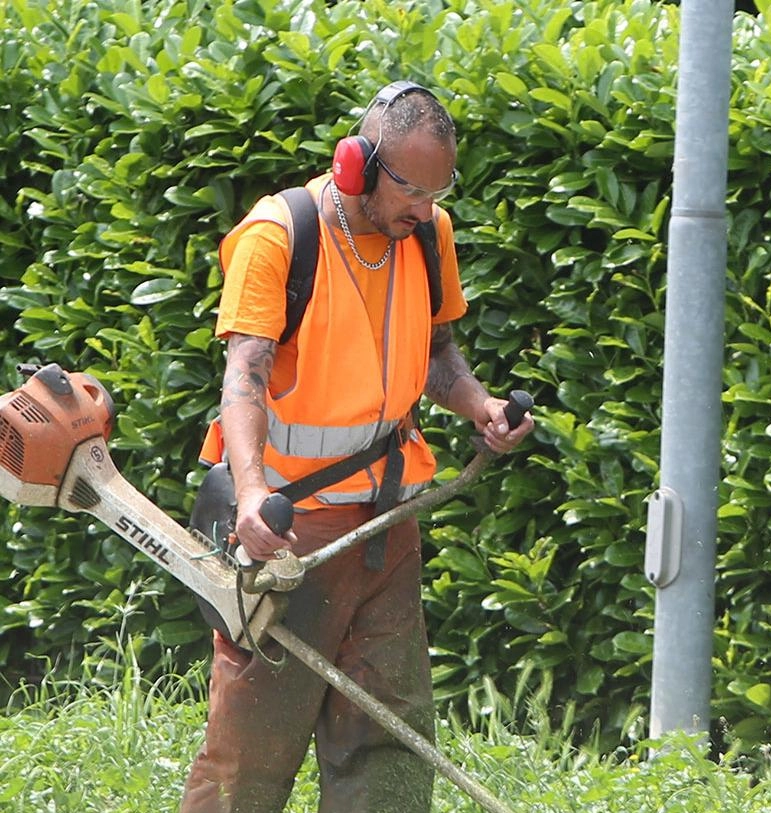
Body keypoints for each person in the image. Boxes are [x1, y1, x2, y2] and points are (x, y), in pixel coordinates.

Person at [180, 81, 532, 812]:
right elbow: (243, 372)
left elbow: (436, 350)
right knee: (251, 754)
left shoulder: (427, 236)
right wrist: (249, 496)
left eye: (439, 193)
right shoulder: (279, 236)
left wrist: (481, 405)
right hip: (285, 535)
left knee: (387, 743)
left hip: (382, 529)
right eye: (410, 190)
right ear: (356, 165)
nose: (425, 210)